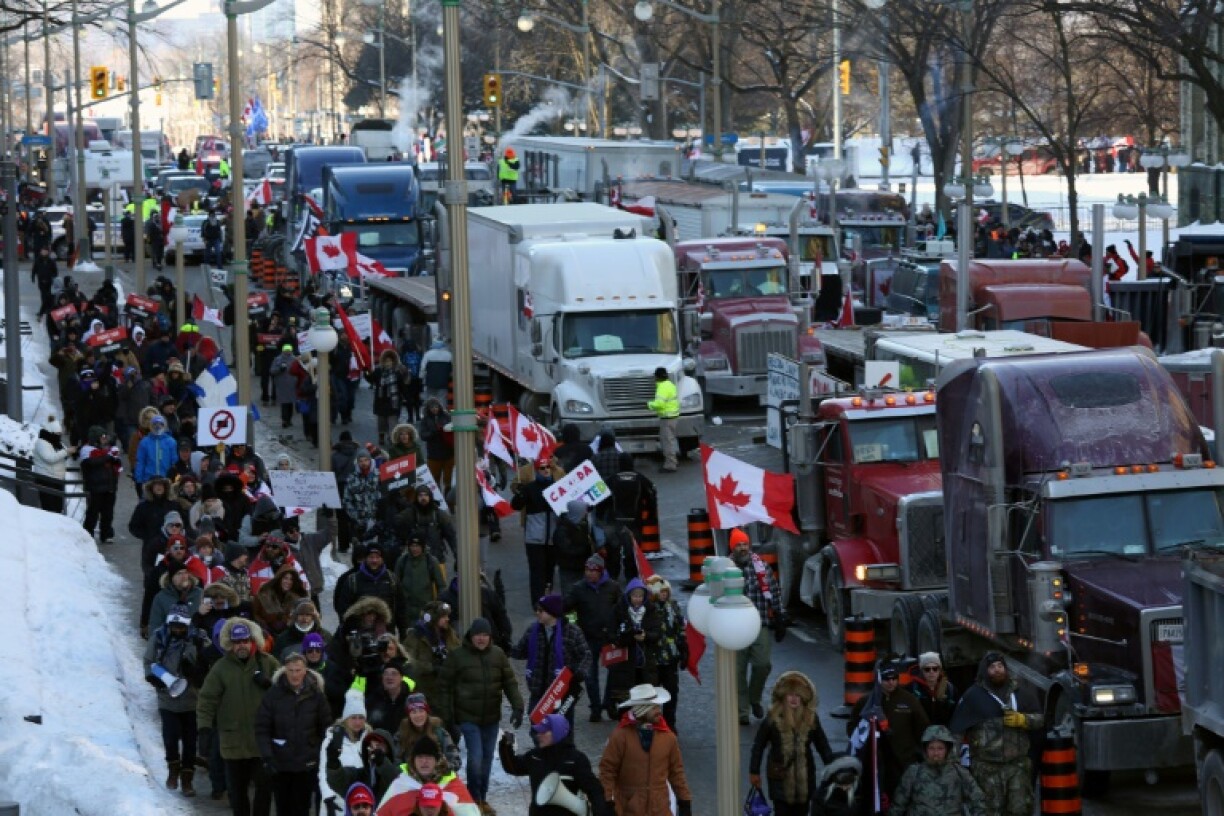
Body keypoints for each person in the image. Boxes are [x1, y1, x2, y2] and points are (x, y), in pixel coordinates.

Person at [439, 618, 524, 814]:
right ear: (471, 636)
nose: (481, 639)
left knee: (486, 760)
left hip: (491, 718)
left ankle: (482, 799)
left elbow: (509, 682)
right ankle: (473, 798)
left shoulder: (498, 655)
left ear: (490, 637)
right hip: (468, 717)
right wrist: (448, 717)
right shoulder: (458, 656)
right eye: (478, 635)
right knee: (475, 758)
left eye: (485, 635)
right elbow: (445, 687)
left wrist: (518, 707)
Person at [197, 619, 281, 816]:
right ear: (230, 644)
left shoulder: (268, 662)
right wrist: (204, 729)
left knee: (264, 791)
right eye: (237, 642)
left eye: (245, 640)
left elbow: (287, 690)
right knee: (237, 794)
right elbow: (207, 700)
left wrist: (269, 683)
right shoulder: (220, 668)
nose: (241, 645)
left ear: (252, 641)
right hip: (233, 744)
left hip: (262, 743)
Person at [949, 652, 1043, 816]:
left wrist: (1023, 720)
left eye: (1000, 666)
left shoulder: (1021, 692)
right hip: (986, 770)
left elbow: (1041, 720)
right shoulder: (973, 696)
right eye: (992, 667)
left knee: (1020, 810)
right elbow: (957, 731)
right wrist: (955, 765)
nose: (997, 670)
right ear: (984, 671)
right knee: (990, 811)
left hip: (1017, 768)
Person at [254, 649, 333, 816]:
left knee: (302, 807)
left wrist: (319, 753)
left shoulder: (316, 695)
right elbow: (262, 727)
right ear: (285, 670)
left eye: (298, 670)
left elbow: (326, 727)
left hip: (307, 762)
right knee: (283, 807)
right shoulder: (273, 695)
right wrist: (267, 756)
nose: (294, 675)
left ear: (305, 671)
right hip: (280, 762)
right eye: (290, 670)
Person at [144, 604, 210, 797]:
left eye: (181, 627)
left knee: (190, 740)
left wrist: (197, 671)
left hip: (192, 697)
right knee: (170, 735)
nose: (178, 630)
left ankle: (187, 778)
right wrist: (153, 677)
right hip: (167, 696)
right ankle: (173, 767)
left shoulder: (198, 638)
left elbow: (208, 662)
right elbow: (149, 661)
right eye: (174, 626)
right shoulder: (159, 637)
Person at [748, 672, 835, 816]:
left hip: (805, 782)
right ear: (784, 696)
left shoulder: (811, 718)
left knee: (802, 812)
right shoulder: (773, 718)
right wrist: (754, 771)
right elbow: (758, 746)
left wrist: (833, 769)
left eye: (798, 695)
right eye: (790, 694)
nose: (794, 699)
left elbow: (823, 746)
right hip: (779, 779)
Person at [598, 684, 693, 816]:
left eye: (658, 706)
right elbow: (607, 772)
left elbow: (676, 772)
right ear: (642, 709)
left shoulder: (668, 737)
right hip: (628, 811)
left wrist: (685, 801)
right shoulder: (620, 737)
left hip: (660, 810)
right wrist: (608, 802)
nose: (659, 710)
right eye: (654, 707)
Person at [848, 660, 930, 807]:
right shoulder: (866, 702)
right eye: (887, 679)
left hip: (903, 764)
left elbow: (924, 729)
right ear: (879, 679)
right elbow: (853, 729)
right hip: (874, 766)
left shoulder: (909, 700)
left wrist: (919, 755)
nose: (891, 683)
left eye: (894, 678)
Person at [498, 713, 612, 816]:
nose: (539, 735)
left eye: (544, 732)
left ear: (557, 733)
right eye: (539, 731)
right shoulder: (534, 756)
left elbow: (594, 790)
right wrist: (505, 747)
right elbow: (513, 767)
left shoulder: (576, 760)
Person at [729, 527, 787, 726]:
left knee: (762, 665)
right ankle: (742, 711)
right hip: (734, 627)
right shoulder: (725, 569)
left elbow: (774, 591)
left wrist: (780, 616)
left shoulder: (761, 566)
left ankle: (754, 699)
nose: (743, 547)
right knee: (738, 671)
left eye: (745, 543)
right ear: (732, 547)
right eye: (738, 544)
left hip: (759, 622)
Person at [511, 593, 591, 723]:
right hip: (538, 690)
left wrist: (578, 673)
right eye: (536, 609)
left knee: (563, 733)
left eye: (541, 610)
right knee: (537, 729)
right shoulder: (533, 630)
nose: (537, 613)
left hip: (562, 691)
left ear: (552, 612)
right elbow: (520, 651)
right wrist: (505, 646)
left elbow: (586, 655)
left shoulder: (572, 631)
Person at [565, 554, 621, 722]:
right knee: (590, 676)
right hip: (588, 638)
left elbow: (622, 609)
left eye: (593, 570)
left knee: (614, 673)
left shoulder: (613, 587)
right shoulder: (578, 588)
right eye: (587, 570)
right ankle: (595, 707)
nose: (589, 573)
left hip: (609, 638)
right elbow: (566, 607)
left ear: (601, 571)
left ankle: (610, 704)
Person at [891, 725, 986, 816]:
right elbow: (898, 806)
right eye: (931, 748)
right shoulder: (913, 772)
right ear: (925, 750)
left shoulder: (959, 772)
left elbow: (978, 800)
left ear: (947, 750)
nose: (936, 753)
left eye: (940, 748)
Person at [605, 577, 662, 715]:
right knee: (625, 701)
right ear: (629, 595)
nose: (638, 599)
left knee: (644, 700)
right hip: (624, 664)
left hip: (645, 664)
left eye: (640, 596)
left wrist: (646, 636)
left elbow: (657, 632)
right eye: (635, 596)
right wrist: (628, 637)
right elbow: (611, 634)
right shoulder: (618, 610)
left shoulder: (651, 610)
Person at [510, 456, 558, 603]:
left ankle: (548, 598)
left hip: (552, 537)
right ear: (537, 470)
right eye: (542, 468)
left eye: (548, 468)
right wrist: (520, 494)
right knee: (537, 572)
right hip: (535, 538)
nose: (546, 471)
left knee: (549, 571)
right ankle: (538, 602)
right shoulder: (530, 488)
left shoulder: (557, 486)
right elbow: (515, 506)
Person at [401, 601, 460, 712]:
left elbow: (458, 654)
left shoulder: (449, 634)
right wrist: (431, 667)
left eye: (447, 616)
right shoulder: (415, 637)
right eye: (443, 616)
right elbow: (407, 662)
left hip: (446, 692)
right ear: (432, 618)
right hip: (423, 692)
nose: (447, 619)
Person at [644, 575, 686, 730]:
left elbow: (680, 628)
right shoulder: (648, 608)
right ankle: (654, 722)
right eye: (661, 592)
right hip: (653, 658)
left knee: (671, 693)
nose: (664, 595)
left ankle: (670, 724)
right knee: (653, 694)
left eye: (666, 592)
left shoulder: (673, 606)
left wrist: (683, 648)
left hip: (670, 657)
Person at [395, 693, 462, 775]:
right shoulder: (401, 735)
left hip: (438, 779)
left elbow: (455, 760)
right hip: (411, 781)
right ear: (409, 716)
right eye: (414, 712)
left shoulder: (440, 732)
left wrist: (441, 768)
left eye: (421, 711)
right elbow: (396, 762)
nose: (418, 715)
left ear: (427, 712)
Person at [80, 425, 123, 542]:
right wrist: (107, 457)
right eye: (102, 437)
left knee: (108, 513)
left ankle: (106, 533)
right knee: (93, 513)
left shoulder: (107, 451)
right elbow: (90, 464)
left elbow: (114, 464)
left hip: (109, 486)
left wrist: (115, 460)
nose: (105, 439)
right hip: (95, 487)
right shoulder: (87, 451)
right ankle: (88, 533)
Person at [910, 651, 959, 727]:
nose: (931, 672)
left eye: (935, 669)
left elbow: (956, 713)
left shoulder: (950, 689)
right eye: (927, 669)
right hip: (921, 734)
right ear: (922, 671)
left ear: (939, 670)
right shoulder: (913, 688)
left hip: (944, 734)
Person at [418, 398, 455, 491]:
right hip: (434, 454)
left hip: (448, 453)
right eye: (432, 407)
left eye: (436, 406)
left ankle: (448, 500)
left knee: (449, 480)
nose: (434, 409)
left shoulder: (446, 416)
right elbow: (423, 435)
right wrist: (434, 432)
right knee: (434, 481)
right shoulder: (425, 420)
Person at [646, 367, 678, 471]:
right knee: (671, 440)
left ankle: (670, 465)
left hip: (666, 418)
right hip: (673, 416)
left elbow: (659, 404)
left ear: (657, 377)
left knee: (666, 441)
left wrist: (649, 404)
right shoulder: (670, 385)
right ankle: (673, 461)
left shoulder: (662, 387)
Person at [32, 245, 57, 317]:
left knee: (48, 295)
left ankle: (45, 309)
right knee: (43, 295)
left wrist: (54, 277)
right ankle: (44, 308)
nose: (44, 253)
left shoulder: (51, 261)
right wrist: (33, 277)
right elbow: (34, 269)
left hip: (49, 281)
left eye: (45, 251)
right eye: (43, 251)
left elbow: (55, 270)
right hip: (41, 280)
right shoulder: (38, 260)